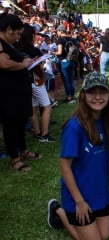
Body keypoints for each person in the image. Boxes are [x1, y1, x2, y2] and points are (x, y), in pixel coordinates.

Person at [47, 72, 109, 240]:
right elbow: (64, 166)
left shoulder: (107, 121)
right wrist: (79, 201)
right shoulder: (74, 126)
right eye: (91, 92)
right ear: (83, 95)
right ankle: (59, 211)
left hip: (99, 193)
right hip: (78, 196)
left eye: (102, 92)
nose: (97, 97)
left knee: (105, 235)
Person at [0, 13, 40, 172]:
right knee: (11, 124)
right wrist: (24, 64)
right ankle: (15, 158)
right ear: (8, 29)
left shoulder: (8, 43)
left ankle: (23, 150)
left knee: (21, 121)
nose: (18, 37)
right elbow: (3, 63)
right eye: (16, 33)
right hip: (7, 93)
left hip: (19, 91)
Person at [16, 23, 54, 143]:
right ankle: (44, 134)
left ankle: (37, 132)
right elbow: (41, 67)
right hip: (36, 81)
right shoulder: (34, 50)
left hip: (24, 82)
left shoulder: (16, 49)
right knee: (47, 107)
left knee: (33, 109)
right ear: (31, 36)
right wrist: (41, 62)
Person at [51, 24, 75, 104]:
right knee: (71, 80)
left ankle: (69, 98)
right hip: (71, 60)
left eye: (57, 31)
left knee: (66, 80)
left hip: (63, 62)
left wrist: (51, 52)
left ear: (60, 31)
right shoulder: (71, 39)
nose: (57, 33)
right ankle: (72, 96)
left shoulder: (60, 40)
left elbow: (59, 52)